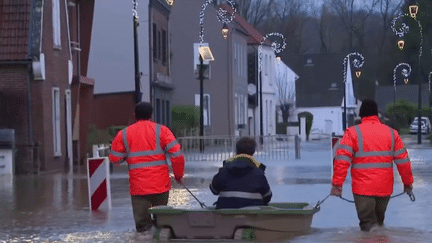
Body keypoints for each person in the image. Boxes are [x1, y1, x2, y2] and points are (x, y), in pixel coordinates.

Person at [330, 99, 414, 232]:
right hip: (384, 189)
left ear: (361, 114)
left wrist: (337, 185)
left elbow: (342, 161)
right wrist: (408, 184)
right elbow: (403, 162)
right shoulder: (392, 134)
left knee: (368, 225)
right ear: (377, 114)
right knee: (378, 224)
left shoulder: (352, 133)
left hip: (362, 189)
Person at [109, 102, 185, 232]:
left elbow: (114, 159)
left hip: (138, 187)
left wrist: (127, 156)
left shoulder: (124, 134)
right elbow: (177, 155)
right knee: (161, 223)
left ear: (135, 115)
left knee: (142, 228)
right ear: (151, 115)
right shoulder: (162, 131)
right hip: (160, 186)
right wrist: (178, 175)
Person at [210, 137, 272, 209]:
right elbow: (267, 197)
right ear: (253, 152)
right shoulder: (259, 173)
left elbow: (214, 190)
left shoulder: (223, 171)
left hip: (225, 216)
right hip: (253, 217)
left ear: (236, 151)